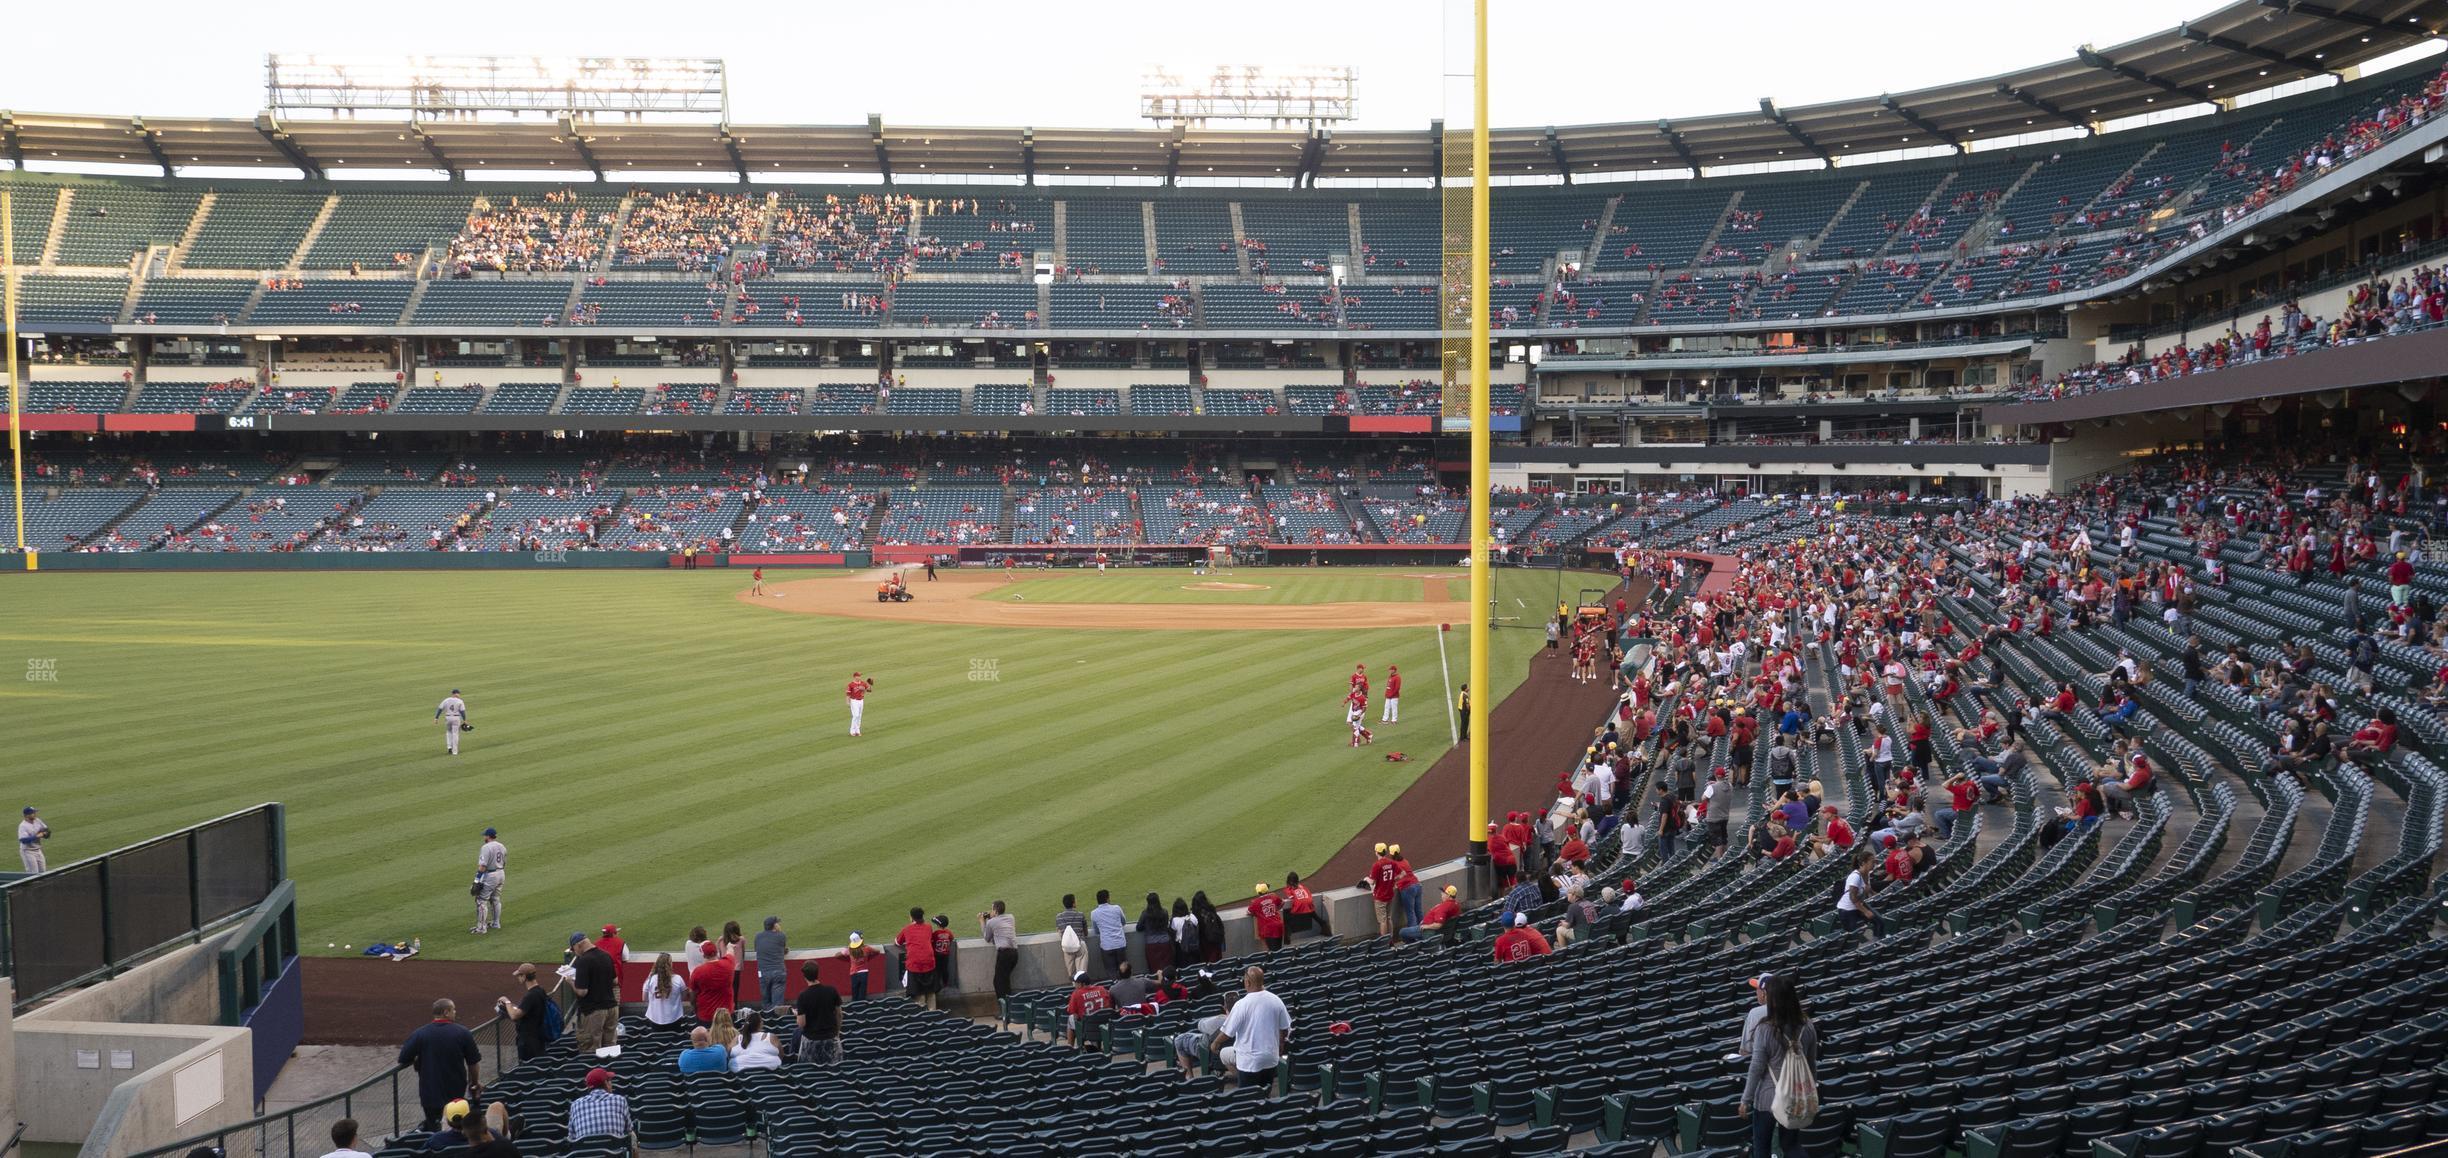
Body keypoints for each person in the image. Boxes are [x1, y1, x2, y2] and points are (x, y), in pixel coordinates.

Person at [1740, 973, 1819, 1158]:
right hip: (1796, 1095)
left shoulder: (1765, 1028)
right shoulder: (1807, 1025)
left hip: (1768, 1098)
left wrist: (1746, 1099)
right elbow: (1811, 1063)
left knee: (1762, 1148)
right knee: (1790, 1144)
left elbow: (1756, 1067)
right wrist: (1811, 1091)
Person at [398, 999, 481, 1131]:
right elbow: (473, 1062)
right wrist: (474, 1083)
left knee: (434, 1129)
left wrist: (417, 1058)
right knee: (458, 1128)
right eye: (453, 1010)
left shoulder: (420, 1033)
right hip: (456, 1092)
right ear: (446, 1012)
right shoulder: (463, 1032)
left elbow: (403, 1058)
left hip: (430, 1094)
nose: (455, 1012)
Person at [1213, 966, 1291, 1089]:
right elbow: (1284, 1028)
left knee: (1247, 1098)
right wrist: (1281, 1045)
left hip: (1249, 1062)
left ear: (1247, 982)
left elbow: (1228, 1032)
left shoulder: (1241, 1005)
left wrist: (1216, 1043)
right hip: (1270, 1058)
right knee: (1265, 1094)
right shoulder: (1276, 1000)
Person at [568, 932, 620, 1052]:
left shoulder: (583, 961)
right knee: (610, 1048)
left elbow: (582, 992)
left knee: (591, 1048)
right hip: (612, 1008)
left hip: (593, 1011)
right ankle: (609, 1070)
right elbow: (615, 981)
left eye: (573, 948)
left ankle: (594, 1071)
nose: (574, 952)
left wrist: (570, 982)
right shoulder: (605, 955)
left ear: (578, 945)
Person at [495, 963, 555, 1063]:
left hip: (528, 1042)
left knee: (529, 1068)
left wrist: (506, 1001)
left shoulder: (530, 996)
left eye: (519, 975)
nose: (518, 978)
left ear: (524, 976)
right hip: (538, 1036)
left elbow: (514, 1016)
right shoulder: (541, 991)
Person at [792, 961, 843, 1064]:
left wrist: (796, 1014)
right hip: (831, 1038)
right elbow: (839, 1014)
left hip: (811, 1042)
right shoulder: (831, 991)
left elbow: (801, 1023)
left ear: (804, 976)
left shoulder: (803, 996)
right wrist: (837, 1032)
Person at [566, 1068, 634, 1144]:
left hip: (587, 1153)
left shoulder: (575, 1104)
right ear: (606, 1083)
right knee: (633, 1137)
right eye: (610, 1080)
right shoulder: (620, 1100)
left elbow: (571, 1137)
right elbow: (629, 1129)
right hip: (616, 1153)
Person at [640, 952, 690, 1030]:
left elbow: (644, 998)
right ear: (670, 964)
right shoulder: (678, 979)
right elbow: (684, 996)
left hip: (655, 1018)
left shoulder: (650, 979)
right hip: (674, 1017)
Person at [470, 826, 506, 935]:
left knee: (481, 900)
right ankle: (496, 923)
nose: (484, 837)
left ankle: (481, 928)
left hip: (490, 875)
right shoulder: (502, 846)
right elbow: (504, 862)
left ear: (488, 836)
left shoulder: (486, 847)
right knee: (495, 898)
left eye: (485, 835)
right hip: (501, 873)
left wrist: (476, 880)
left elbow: (482, 866)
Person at [689, 940, 736, 1023]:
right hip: (726, 1014)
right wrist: (730, 946)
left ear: (703, 955)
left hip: (706, 1016)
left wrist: (694, 1007)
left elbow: (692, 994)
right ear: (716, 952)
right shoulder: (728, 964)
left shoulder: (698, 972)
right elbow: (730, 952)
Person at [980, 900, 1019, 999]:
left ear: (995, 911)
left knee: (998, 982)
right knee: (1005, 980)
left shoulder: (991, 922)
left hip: (1004, 954)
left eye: (992, 909)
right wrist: (991, 917)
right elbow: (999, 924)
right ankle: (1008, 1007)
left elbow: (987, 938)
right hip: (1014, 953)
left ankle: (1004, 1009)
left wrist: (982, 921)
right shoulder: (1011, 917)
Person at [1064, 971, 1113, 1048]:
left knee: (1070, 1019)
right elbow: (1110, 1006)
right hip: (1105, 1026)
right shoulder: (1102, 989)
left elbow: (1073, 1013)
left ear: (1081, 984)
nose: (1074, 985)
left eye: (1075, 983)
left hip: (1087, 1029)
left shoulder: (1076, 994)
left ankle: (1070, 1049)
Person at [1835, 849, 1875, 937]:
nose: (1874, 864)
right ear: (1863, 863)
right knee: (1852, 936)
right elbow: (1852, 898)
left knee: (1878, 922)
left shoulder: (1867, 874)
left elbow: (1869, 890)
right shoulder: (1855, 877)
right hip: (1847, 910)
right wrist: (1866, 911)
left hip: (1856, 908)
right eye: (1872, 861)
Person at [1089, 890, 1128, 976]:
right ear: (1107, 898)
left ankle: (1115, 987)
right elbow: (1124, 922)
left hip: (1107, 946)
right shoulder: (1117, 908)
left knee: (1111, 971)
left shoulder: (1094, 913)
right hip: (1120, 944)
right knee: (1124, 970)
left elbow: (1096, 931)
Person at [752, 916, 788, 1009]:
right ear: (775, 925)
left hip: (763, 973)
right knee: (778, 1006)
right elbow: (783, 949)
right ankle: (777, 1022)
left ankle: (768, 1022)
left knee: (766, 1002)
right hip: (778, 972)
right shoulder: (781, 935)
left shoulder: (758, 936)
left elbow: (758, 949)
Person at [1136, 891, 1174, 974]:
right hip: (1165, 942)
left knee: (1154, 968)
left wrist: (1147, 927)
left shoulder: (1145, 913)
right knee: (1166, 967)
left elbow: (1138, 927)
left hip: (1151, 944)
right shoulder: (1164, 912)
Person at [836, 932, 882, 999]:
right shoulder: (867, 948)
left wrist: (846, 954)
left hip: (853, 973)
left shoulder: (849, 950)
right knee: (862, 993)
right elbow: (877, 951)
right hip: (864, 973)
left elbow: (837, 955)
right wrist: (869, 958)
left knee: (855, 993)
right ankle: (862, 1007)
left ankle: (855, 1007)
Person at [1055, 894, 1089, 982]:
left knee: (1071, 973)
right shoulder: (1080, 915)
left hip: (1067, 946)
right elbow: (1086, 933)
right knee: (1081, 973)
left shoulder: (1058, 917)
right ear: (1073, 903)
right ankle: (1081, 991)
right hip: (1080, 944)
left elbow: (1059, 930)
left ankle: (1075, 990)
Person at [1249, 883, 1287, 951]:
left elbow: (1249, 912)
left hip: (1268, 929)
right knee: (1279, 948)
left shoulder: (1255, 902)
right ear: (1267, 890)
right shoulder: (1273, 896)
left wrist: (1258, 914)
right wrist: (1276, 909)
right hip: (1278, 925)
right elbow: (1282, 902)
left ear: (1258, 892)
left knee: (1272, 951)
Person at [435, 689, 470, 757]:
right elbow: (462, 711)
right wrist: (465, 720)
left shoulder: (446, 700)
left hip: (448, 718)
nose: (459, 695)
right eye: (458, 693)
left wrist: (436, 718)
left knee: (449, 732)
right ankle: (455, 751)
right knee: (455, 734)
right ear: (456, 694)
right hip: (456, 718)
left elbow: (440, 709)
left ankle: (449, 747)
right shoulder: (460, 701)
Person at [17, 806, 47, 874]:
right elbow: (23, 840)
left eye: (35, 812)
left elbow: (47, 831)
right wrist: (37, 836)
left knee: (43, 872)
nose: (35, 814)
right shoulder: (23, 826)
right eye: (33, 813)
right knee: (33, 873)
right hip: (28, 852)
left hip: (38, 850)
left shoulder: (37, 820)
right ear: (27, 815)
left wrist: (44, 833)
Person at [845, 671, 874, 737]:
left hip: (861, 701)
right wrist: (848, 702)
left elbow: (869, 690)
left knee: (859, 716)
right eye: (858, 676)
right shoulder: (851, 685)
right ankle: (852, 731)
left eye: (860, 676)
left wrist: (870, 684)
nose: (859, 677)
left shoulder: (863, 683)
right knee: (856, 715)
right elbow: (848, 694)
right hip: (854, 701)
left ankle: (857, 731)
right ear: (855, 677)